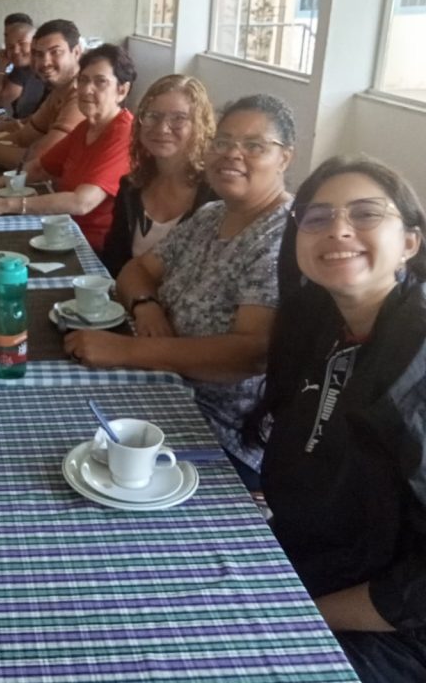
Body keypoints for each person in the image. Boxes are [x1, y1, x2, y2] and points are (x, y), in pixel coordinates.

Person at [250, 157, 426, 682]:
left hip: (389, 625)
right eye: (318, 217)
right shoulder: (315, 323)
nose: (339, 230)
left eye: (366, 213)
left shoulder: (416, 359)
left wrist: (300, 613)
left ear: (410, 242)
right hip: (307, 562)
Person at [64, 94, 297, 490]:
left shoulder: (281, 237)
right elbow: (136, 270)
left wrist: (125, 351)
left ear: (284, 158)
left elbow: (250, 353)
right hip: (156, 386)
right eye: (223, 142)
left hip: (216, 428)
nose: (232, 154)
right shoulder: (211, 216)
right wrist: (146, 305)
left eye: (254, 146)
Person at [0, 44, 137, 252]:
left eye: (100, 81)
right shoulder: (86, 126)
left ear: (122, 90)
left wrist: (5, 204)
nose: (87, 89)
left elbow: (81, 202)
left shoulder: (124, 133)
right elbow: (40, 167)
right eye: (83, 80)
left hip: (91, 247)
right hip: (61, 228)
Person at [101, 74, 218, 277]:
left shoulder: (214, 196)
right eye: (153, 116)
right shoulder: (131, 186)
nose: (162, 128)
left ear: (199, 126)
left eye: (179, 118)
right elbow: (113, 261)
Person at [0, 18, 84, 169]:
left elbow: (38, 159)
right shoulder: (59, 90)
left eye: (55, 52)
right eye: (39, 54)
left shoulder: (82, 95)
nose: (45, 62)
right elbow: (22, 138)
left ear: (77, 52)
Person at [0, 18, 45, 120]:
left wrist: (0, 69)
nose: (15, 51)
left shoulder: (24, 71)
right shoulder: (22, 68)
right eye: (10, 47)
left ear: (36, 44)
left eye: (22, 44)